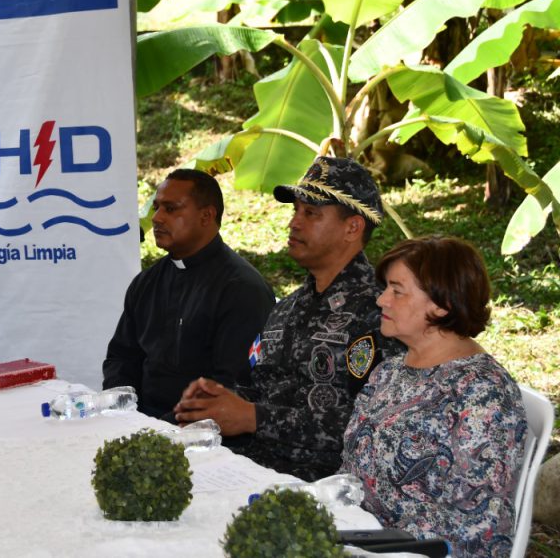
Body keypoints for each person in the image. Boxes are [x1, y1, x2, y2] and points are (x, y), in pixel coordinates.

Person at [175, 156, 401, 481]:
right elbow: (265, 387)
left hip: (331, 492)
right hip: (254, 473)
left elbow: (376, 427)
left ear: (352, 227)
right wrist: (218, 402)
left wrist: (255, 418)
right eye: (296, 210)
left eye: (311, 213)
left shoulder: (384, 311)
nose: (295, 222)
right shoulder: (287, 308)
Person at [339, 236, 526, 558]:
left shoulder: (481, 394)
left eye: (397, 291)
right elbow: (352, 471)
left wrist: (365, 545)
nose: (382, 300)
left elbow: (475, 523)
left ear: (442, 304)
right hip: (358, 534)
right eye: (386, 288)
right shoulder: (391, 370)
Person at [102, 169, 274, 422]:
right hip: (138, 421)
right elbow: (122, 356)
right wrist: (122, 413)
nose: (157, 218)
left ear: (206, 216)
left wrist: (161, 430)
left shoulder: (241, 289)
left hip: (205, 435)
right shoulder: (146, 282)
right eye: (157, 207)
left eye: (171, 209)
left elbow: (233, 385)